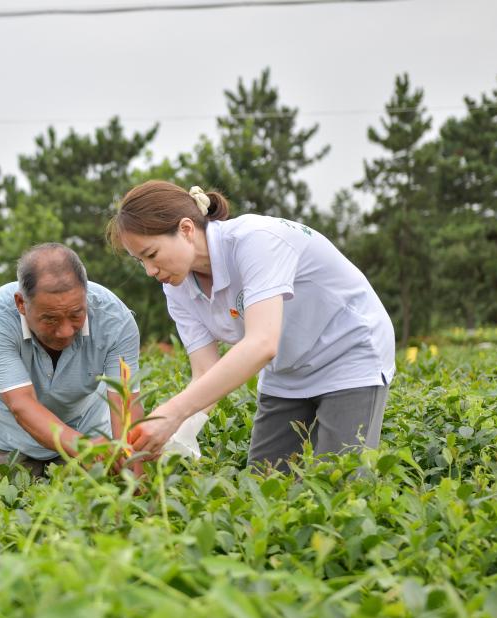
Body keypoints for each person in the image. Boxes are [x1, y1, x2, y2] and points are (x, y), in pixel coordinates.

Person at [108, 180, 395, 472]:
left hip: (349, 353)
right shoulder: (177, 287)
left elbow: (262, 344)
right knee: (264, 483)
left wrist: (172, 413)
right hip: (287, 369)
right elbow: (205, 372)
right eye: (139, 261)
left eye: (152, 254)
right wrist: (176, 432)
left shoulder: (256, 241)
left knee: (340, 482)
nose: (149, 271)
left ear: (186, 229)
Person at [0, 243, 143, 477]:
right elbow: (21, 403)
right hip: (10, 440)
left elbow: (124, 403)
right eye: (50, 319)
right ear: (21, 304)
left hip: (88, 431)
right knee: (12, 504)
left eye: (76, 315)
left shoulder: (115, 320)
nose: (65, 332)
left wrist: (134, 474)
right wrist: (82, 447)